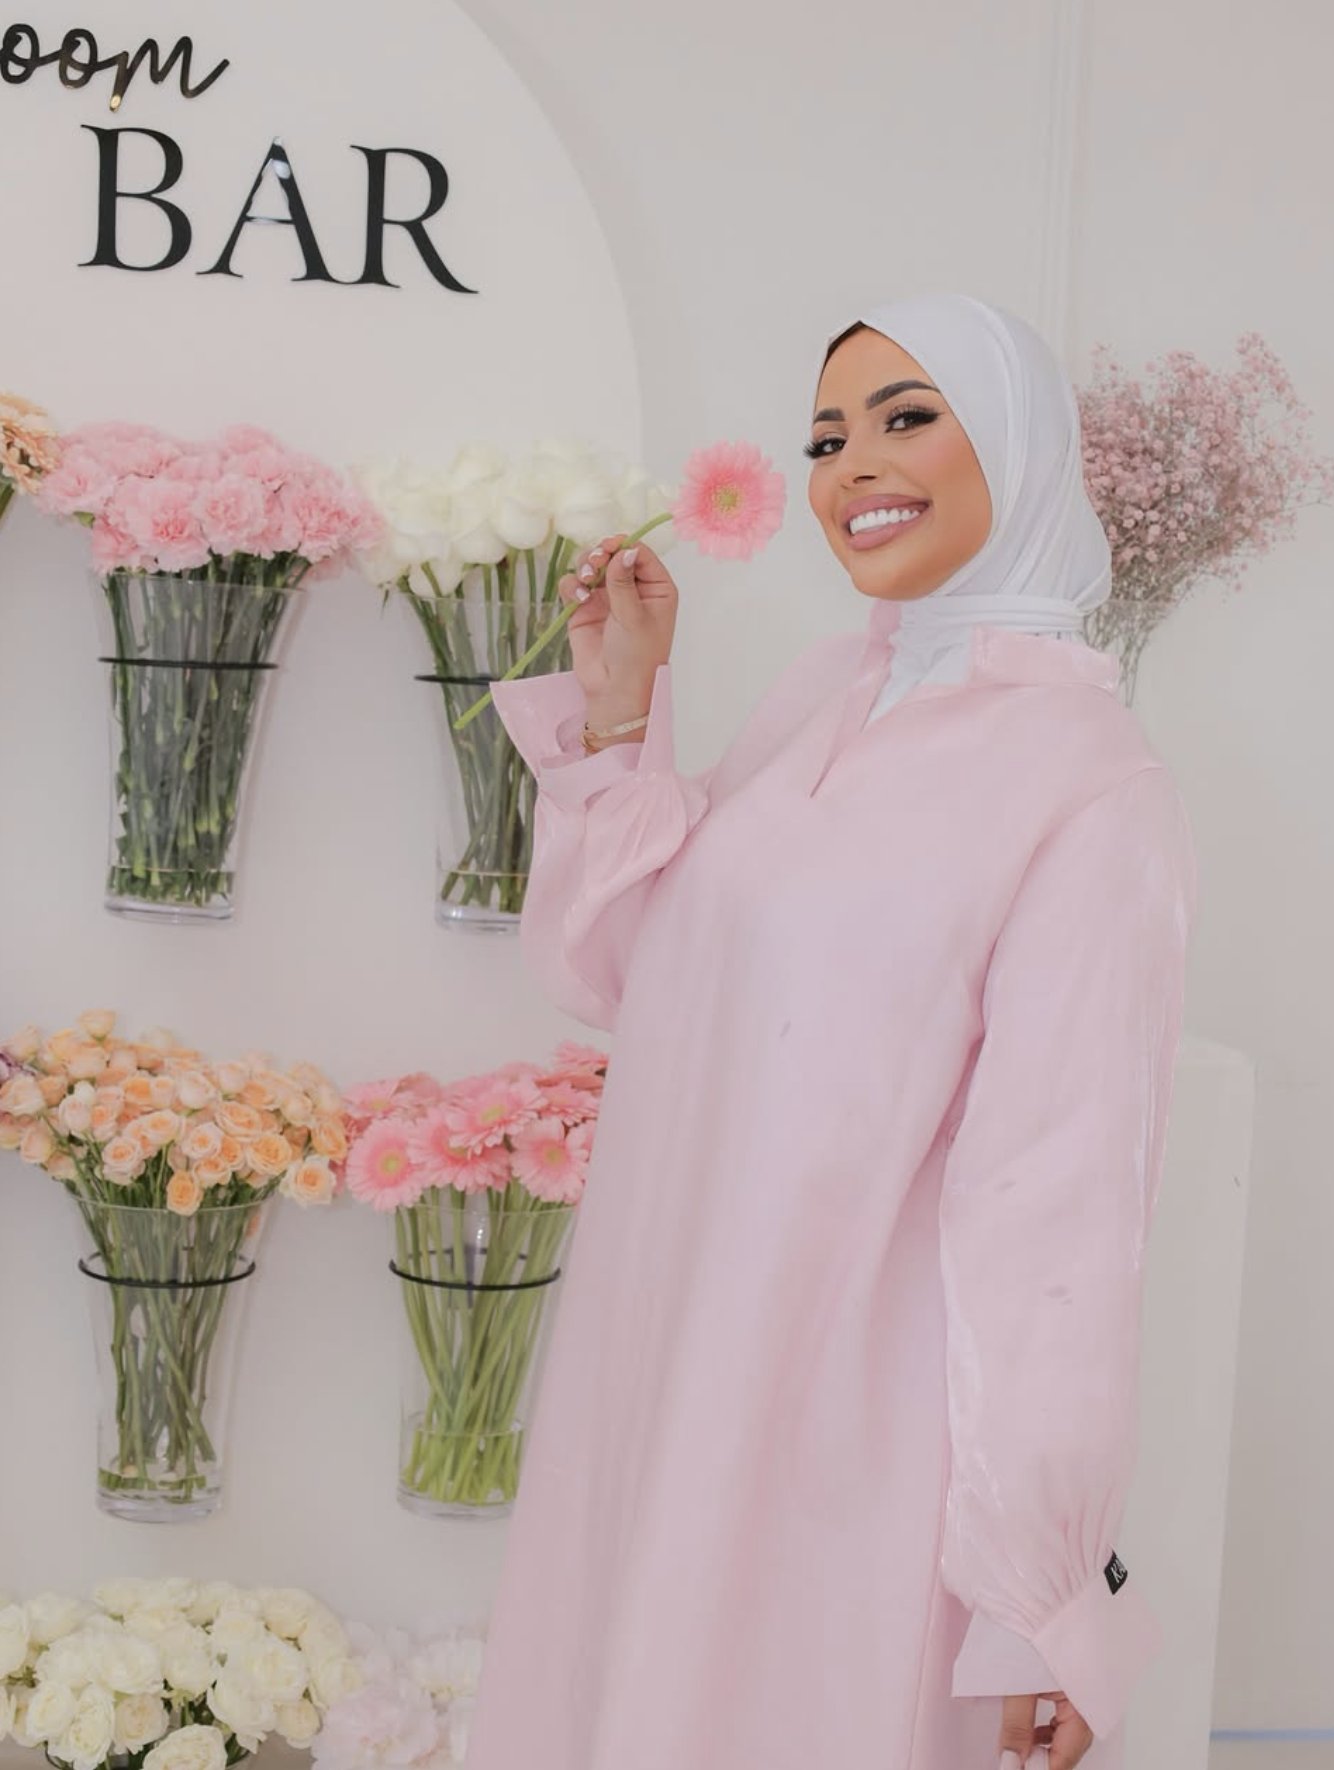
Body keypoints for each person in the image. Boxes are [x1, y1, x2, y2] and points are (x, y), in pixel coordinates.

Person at [466, 291, 1196, 1770]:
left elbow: (1054, 1210)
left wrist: (1041, 1592)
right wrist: (621, 710)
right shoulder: (824, 689)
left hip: (855, 1438)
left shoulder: (1089, 781)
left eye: (906, 417)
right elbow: (635, 970)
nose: (851, 464)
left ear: (1018, 446)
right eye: (823, 438)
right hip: (668, 1367)